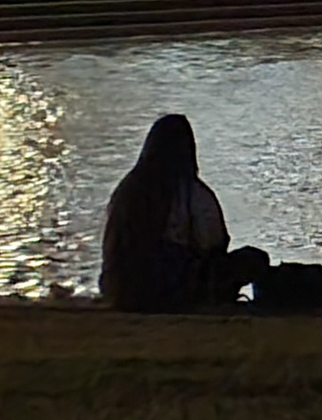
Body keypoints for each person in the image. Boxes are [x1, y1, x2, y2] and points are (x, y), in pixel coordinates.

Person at [99, 113, 270, 312]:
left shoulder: (126, 189)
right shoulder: (191, 191)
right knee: (254, 259)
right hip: (170, 290)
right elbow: (213, 242)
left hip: (118, 289)